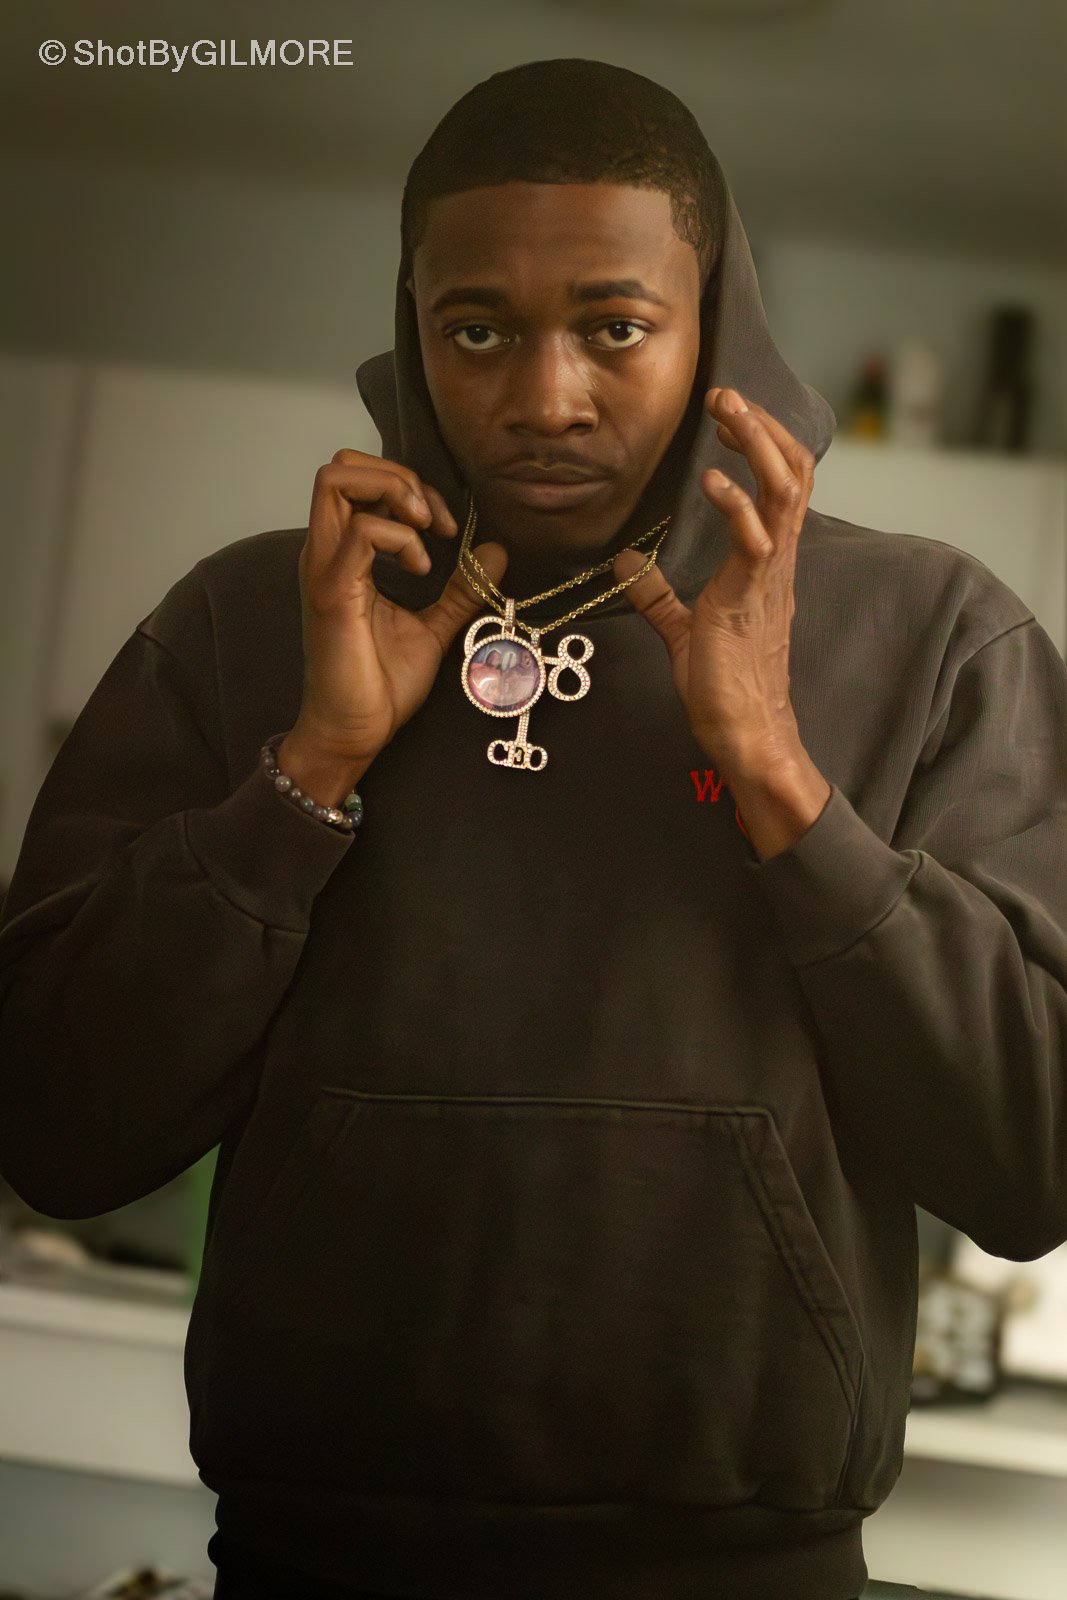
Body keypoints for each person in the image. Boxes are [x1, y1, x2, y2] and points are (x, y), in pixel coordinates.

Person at [1, 56, 1065, 1600]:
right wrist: (310, 771)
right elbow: (56, 1127)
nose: (544, 397)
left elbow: (1034, 1168)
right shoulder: (251, 622)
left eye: (613, 327)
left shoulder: (933, 635)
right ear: (414, 326)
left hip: (748, 1570)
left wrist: (777, 773)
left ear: (715, 331)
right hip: (316, 1560)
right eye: (478, 329)